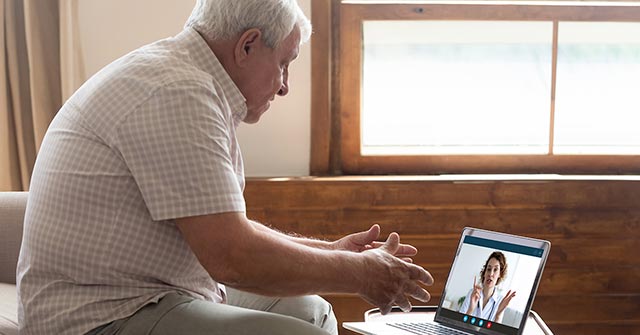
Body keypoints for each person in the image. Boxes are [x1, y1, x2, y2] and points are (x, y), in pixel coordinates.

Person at [16, 1, 434, 334]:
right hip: (97, 316)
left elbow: (229, 231)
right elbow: (232, 257)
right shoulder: (178, 93)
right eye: (285, 63)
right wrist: (359, 274)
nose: (285, 85)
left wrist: (331, 252)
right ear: (247, 44)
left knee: (310, 311)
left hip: (152, 292)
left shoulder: (184, 77)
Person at [459, 251, 516, 323]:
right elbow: (459, 324)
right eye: (488, 269)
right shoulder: (472, 293)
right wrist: (471, 309)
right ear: (484, 273)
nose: (491, 274)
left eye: (495, 270)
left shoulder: (500, 301)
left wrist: (498, 315)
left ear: (500, 274)